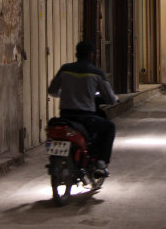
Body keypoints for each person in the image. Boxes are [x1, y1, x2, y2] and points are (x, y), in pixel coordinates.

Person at [48, 41, 118, 174]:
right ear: (92, 56)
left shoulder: (65, 69)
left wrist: (64, 94)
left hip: (66, 116)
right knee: (110, 127)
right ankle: (101, 162)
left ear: (76, 54)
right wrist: (114, 99)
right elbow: (110, 98)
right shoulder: (96, 73)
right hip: (86, 118)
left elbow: (52, 90)